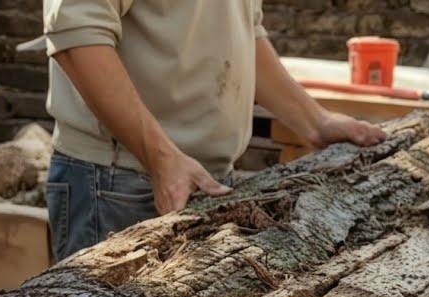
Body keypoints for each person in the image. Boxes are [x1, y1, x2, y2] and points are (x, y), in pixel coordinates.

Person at [42, 0, 387, 261]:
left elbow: (243, 32)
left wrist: (315, 122)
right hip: (118, 184)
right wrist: (162, 159)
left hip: (202, 180)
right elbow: (77, 36)